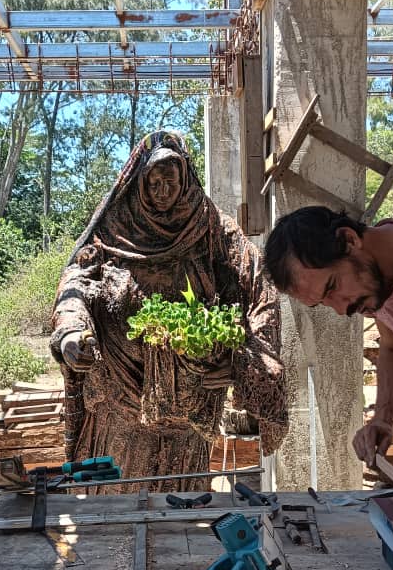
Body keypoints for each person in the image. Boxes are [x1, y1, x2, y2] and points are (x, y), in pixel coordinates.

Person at [51, 130, 288, 491]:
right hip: (120, 404)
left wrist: (242, 363)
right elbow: (76, 283)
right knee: (116, 508)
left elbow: (260, 293)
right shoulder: (114, 229)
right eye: (154, 182)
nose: (162, 191)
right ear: (140, 182)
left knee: (183, 508)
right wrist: (71, 331)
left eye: (170, 181)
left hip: (188, 411)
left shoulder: (210, 228)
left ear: (185, 177)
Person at [263, 204, 393, 469]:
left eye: (332, 286)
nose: (341, 309)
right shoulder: (376, 283)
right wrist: (382, 420)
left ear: (349, 239)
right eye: (324, 302)